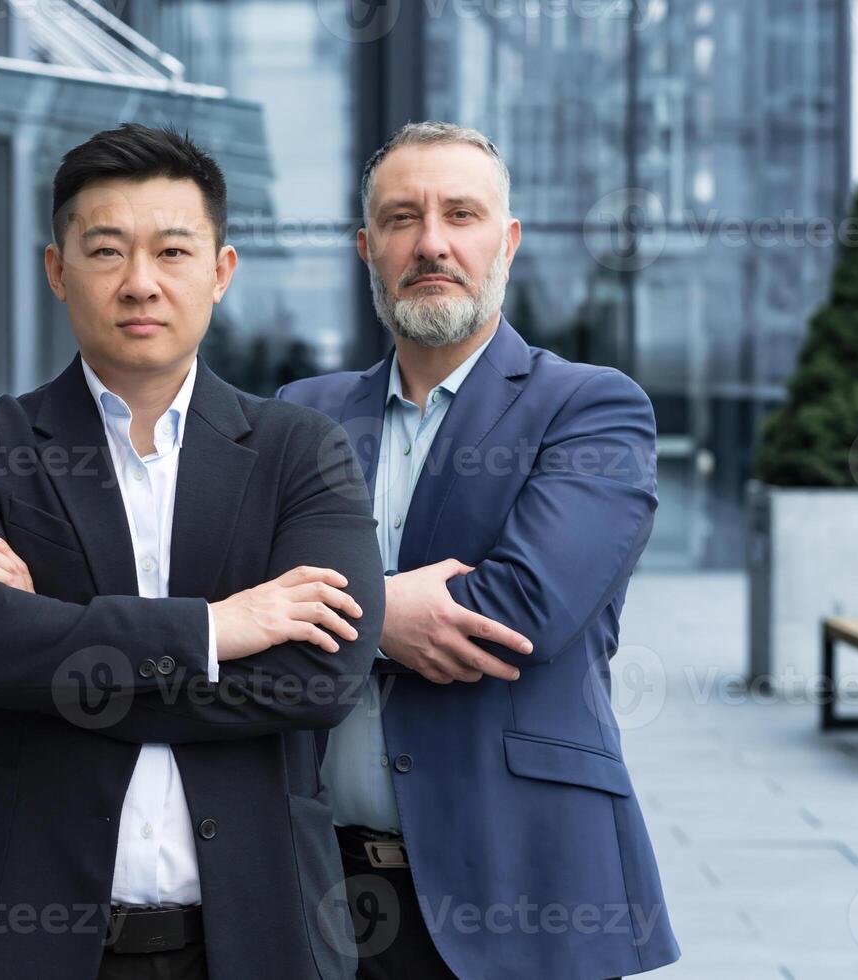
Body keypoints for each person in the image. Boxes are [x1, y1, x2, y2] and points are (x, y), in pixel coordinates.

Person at [0, 123, 386, 980]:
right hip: (33, 939)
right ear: (57, 269)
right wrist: (213, 632)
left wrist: (47, 633)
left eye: (173, 252)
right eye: (107, 250)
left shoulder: (301, 450)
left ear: (220, 272)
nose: (140, 283)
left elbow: (321, 676)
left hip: (259, 939)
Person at [278, 121, 681, 980]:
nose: (431, 242)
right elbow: (229, 586)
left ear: (508, 239)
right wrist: (388, 613)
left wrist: (333, 609)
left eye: (461, 214)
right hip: (318, 892)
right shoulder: (301, 416)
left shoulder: (592, 408)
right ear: (365, 247)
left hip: (521, 888)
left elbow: (518, 610)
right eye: (400, 219)